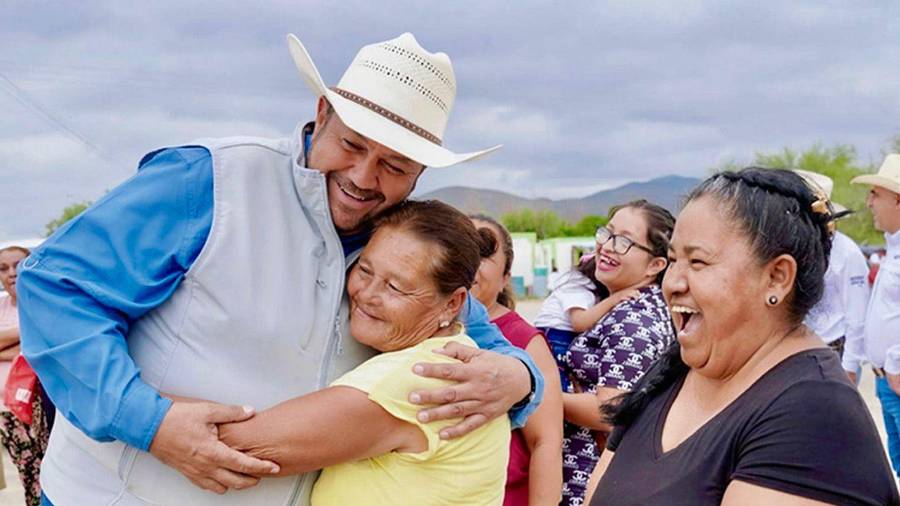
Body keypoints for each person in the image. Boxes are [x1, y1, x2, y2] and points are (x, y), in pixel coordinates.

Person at [17, 33, 543, 505]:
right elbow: (57, 288)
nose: (362, 178)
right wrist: (149, 422)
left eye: (394, 166)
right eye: (352, 145)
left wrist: (521, 377)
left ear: (420, 171)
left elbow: (476, 339)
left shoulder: (398, 243)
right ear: (322, 113)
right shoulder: (211, 180)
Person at [587, 168, 898, 506]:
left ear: (777, 277)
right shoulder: (669, 375)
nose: (672, 283)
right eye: (673, 260)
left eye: (698, 261)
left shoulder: (814, 416)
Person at [204, 200, 509, 505]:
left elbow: (238, 447)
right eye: (364, 269)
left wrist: (159, 414)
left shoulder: (420, 379)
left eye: (395, 287)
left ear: (453, 304)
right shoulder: (456, 353)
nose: (367, 294)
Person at [559, 200, 676, 506]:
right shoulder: (633, 305)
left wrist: (535, 391)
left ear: (655, 265)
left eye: (624, 241)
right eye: (607, 234)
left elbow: (610, 411)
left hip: (592, 483)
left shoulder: (635, 318)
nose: (608, 247)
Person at [470, 215, 563, 506]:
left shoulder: (523, 341)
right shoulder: (417, 325)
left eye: (484, 252)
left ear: (505, 278)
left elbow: (545, 444)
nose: (469, 260)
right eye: (459, 245)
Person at [851, 154, 900, 477]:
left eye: (875, 194)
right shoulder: (892, 249)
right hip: (887, 380)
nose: (869, 203)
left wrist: (896, 362)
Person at [793, 170, 869, 372]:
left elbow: (857, 314)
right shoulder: (798, 249)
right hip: (800, 350)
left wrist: (850, 367)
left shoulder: (847, 253)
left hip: (833, 351)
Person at [0, 246, 49, 506]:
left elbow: (46, 343)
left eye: (17, 265)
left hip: (44, 405)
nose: (11, 273)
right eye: (3, 268)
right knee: (29, 475)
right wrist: (27, 336)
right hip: (9, 411)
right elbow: (34, 344)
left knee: (54, 471)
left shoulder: (45, 304)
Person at [533, 255, 620, 391]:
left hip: (558, 337)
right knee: (555, 386)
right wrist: (614, 299)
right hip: (556, 337)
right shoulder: (579, 286)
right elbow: (580, 322)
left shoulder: (585, 288)